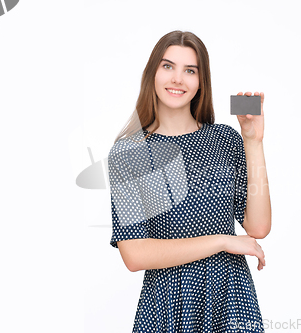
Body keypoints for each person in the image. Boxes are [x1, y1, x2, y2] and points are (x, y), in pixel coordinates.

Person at [107, 30, 271, 332]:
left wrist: (253, 142)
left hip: (230, 298)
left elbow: (257, 227)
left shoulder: (225, 139)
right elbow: (134, 254)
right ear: (152, 73)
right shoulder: (128, 153)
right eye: (168, 66)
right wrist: (222, 241)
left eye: (190, 70)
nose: (177, 79)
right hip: (169, 301)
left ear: (201, 81)